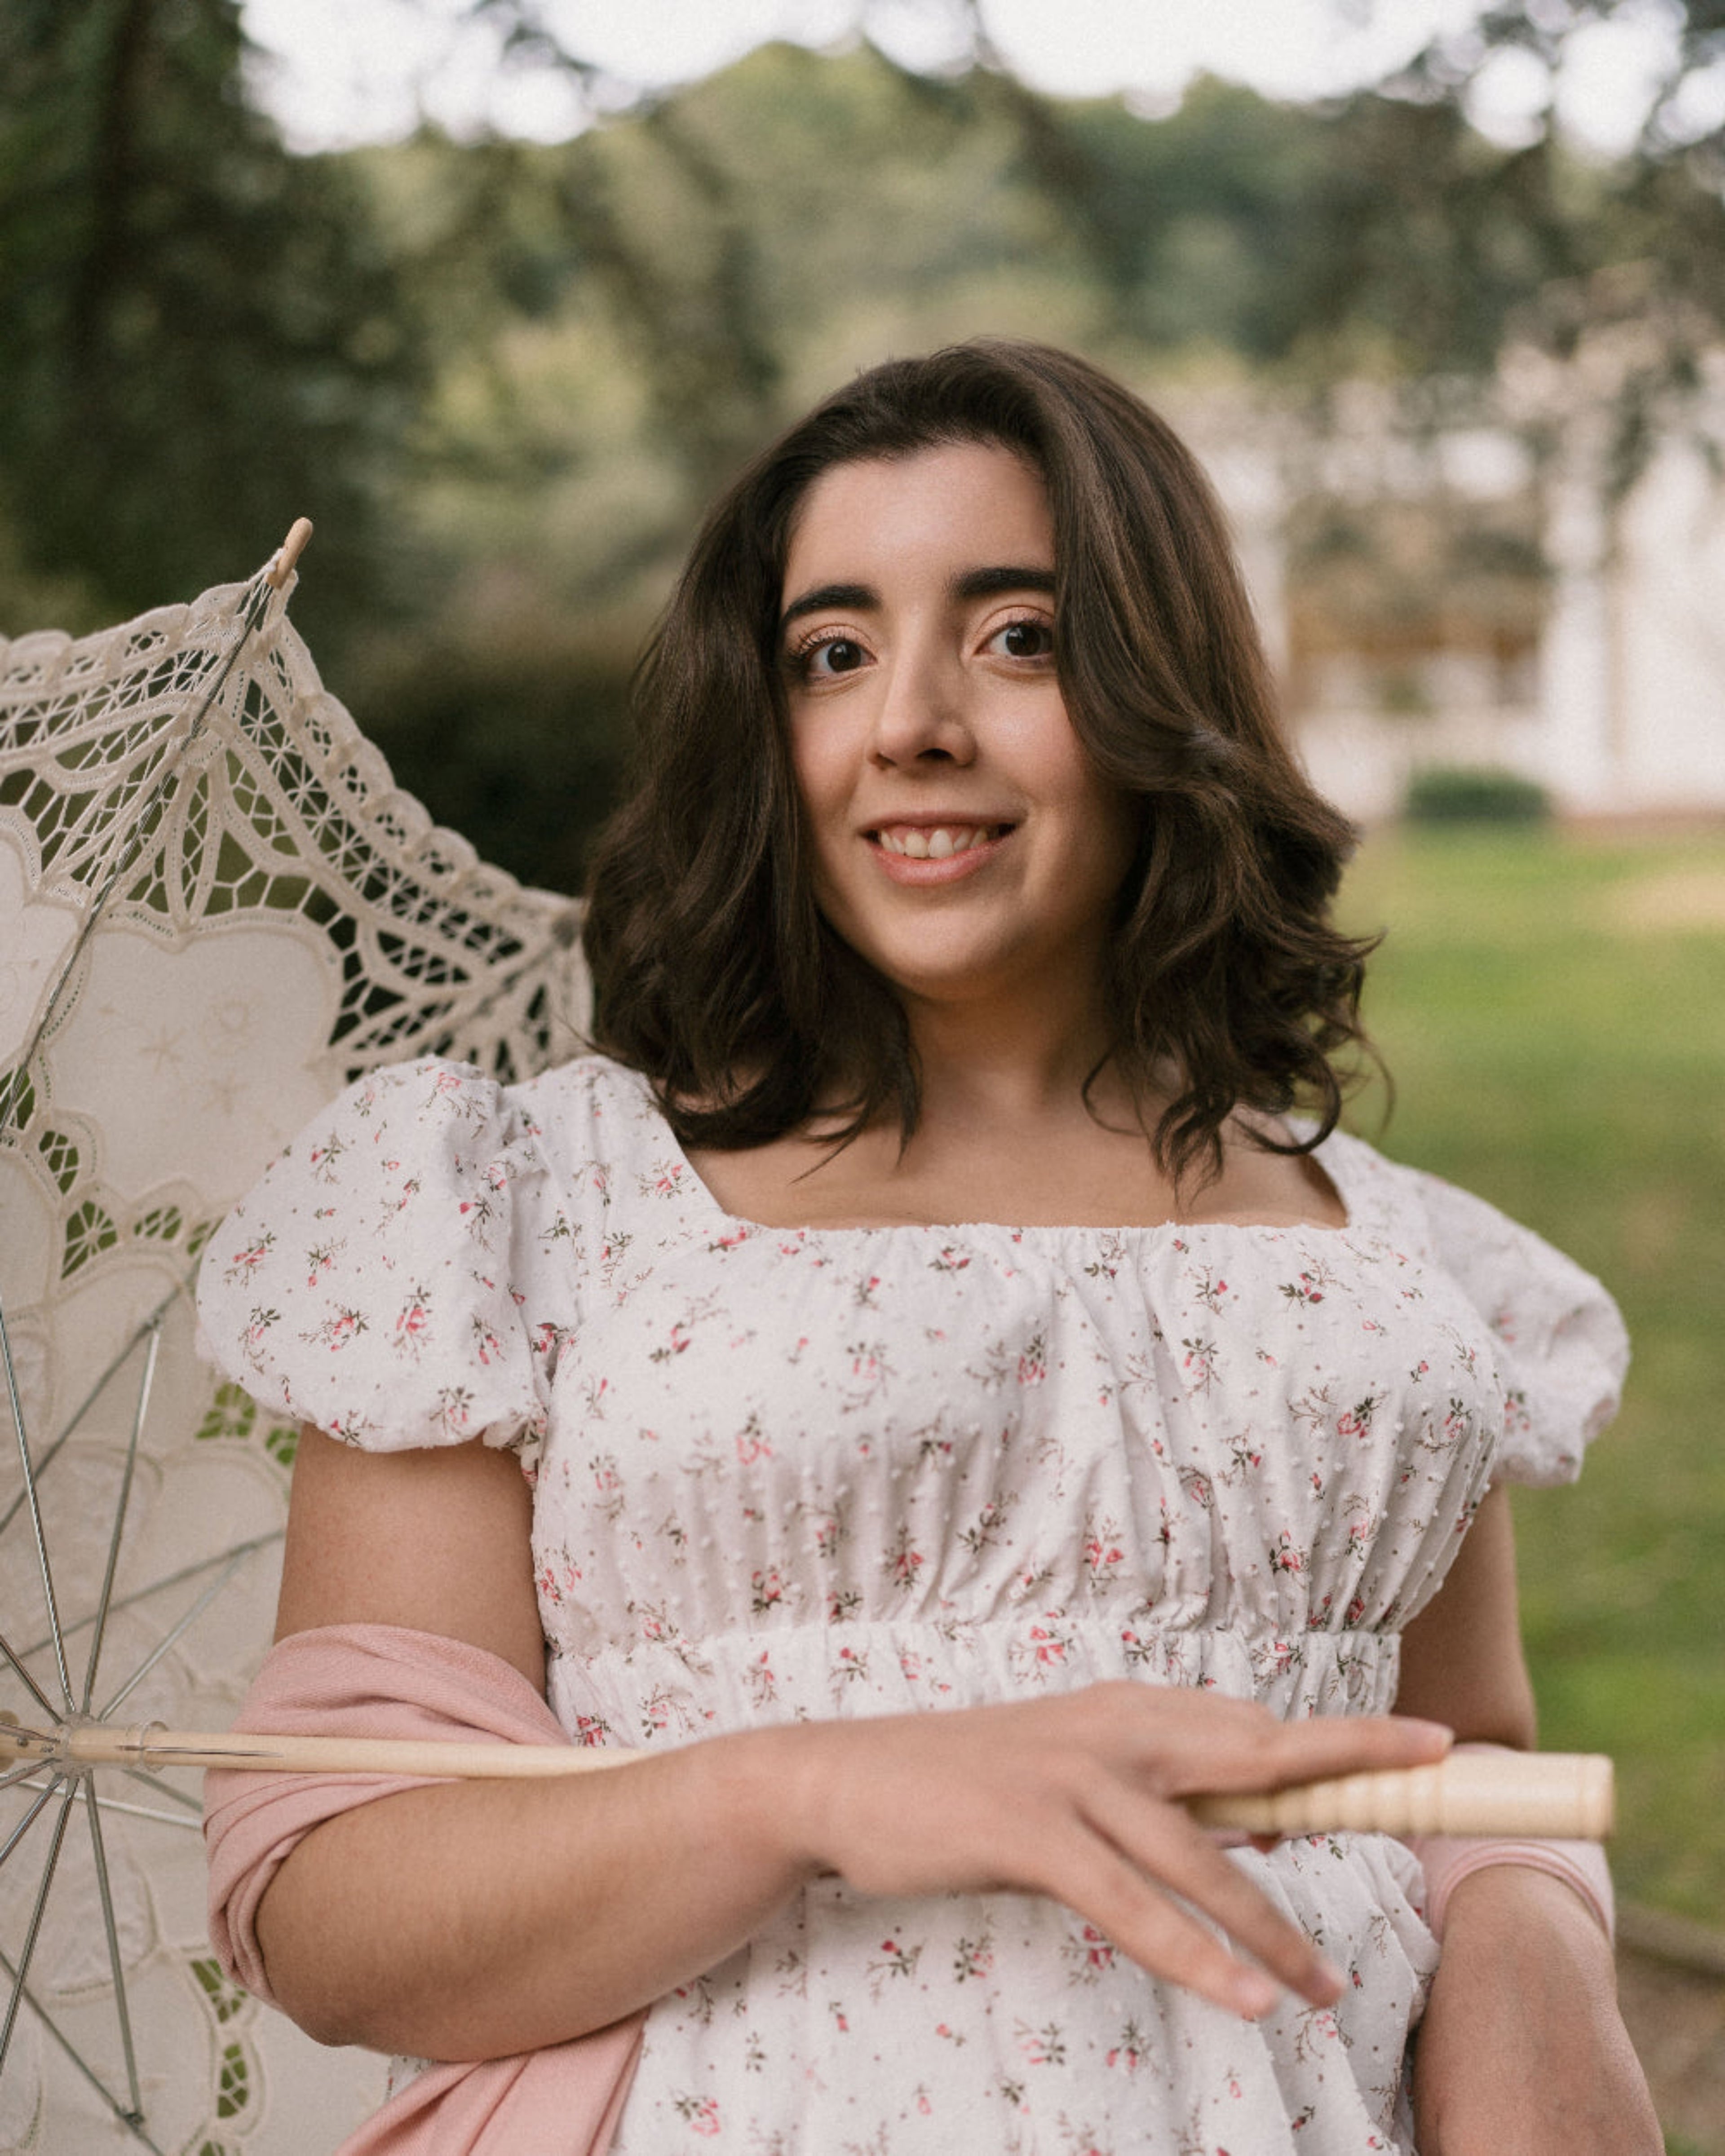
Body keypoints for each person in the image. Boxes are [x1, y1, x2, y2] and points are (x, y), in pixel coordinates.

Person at [197, 340, 1659, 2154]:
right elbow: (333, 1904)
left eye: (1019, 637)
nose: (910, 722)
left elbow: (1464, 1770)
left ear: (1162, 693)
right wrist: (811, 1790)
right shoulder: (521, 1213)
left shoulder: (1378, 1265)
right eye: (832, 653)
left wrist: (1533, 1944)